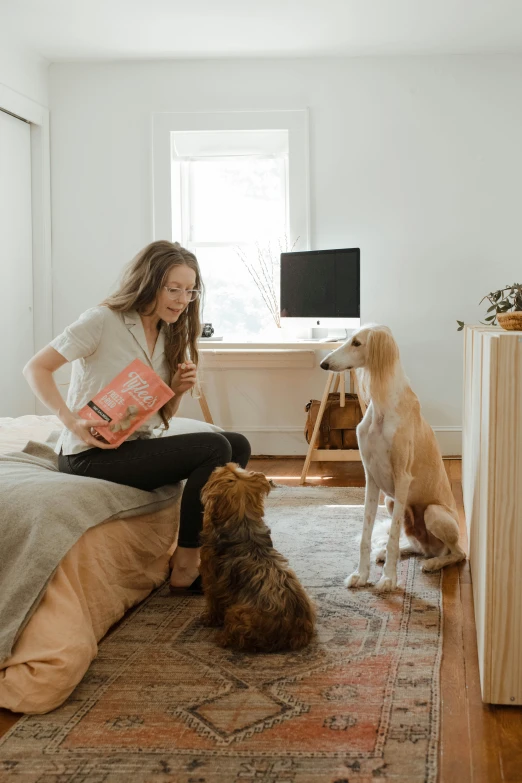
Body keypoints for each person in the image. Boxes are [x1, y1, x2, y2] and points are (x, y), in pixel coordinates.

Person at [23, 240, 251, 593]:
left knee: (236, 445)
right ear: (149, 282)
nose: (182, 299)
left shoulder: (168, 333)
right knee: (213, 447)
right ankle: (186, 566)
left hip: (133, 444)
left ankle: (219, 551)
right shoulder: (102, 321)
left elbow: (158, 416)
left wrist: (175, 389)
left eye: (189, 291)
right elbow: (36, 368)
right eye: (173, 289)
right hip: (89, 455)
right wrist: (71, 422)